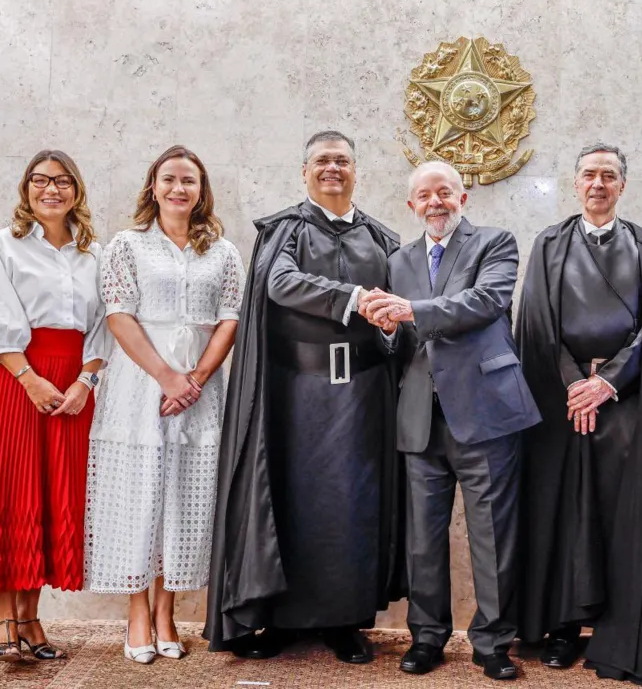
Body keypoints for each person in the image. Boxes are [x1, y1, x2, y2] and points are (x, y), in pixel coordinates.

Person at [516, 143, 642, 688]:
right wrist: (574, 386)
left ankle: (619, 625)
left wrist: (606, 383)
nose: (598, 184)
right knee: (563, 511)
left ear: (623, 185)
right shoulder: (548, 245)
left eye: (609, 176)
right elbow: (536, 322)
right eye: (589, 175)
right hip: (561, 403)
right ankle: (561, 627)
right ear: (576, 182)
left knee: (620, 514)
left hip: (627, 403)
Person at [203, 130, 404, 665]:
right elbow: (280, 284)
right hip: (295, 396)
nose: (332, 168)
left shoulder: (382, 239)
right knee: (290, 501)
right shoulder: (286, 230)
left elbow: (406, 313)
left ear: (357, 171)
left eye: (341, 161)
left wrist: (388, 325)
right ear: (305, 171)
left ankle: (345, 621)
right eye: (321, 161)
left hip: (362, 396)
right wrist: (357, 298)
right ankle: (283, 618)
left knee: (354, 506)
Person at [361, 161, 541, 681]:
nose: (435, 202)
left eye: (445, 193)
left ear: (463, 199)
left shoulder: (495, 242)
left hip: (485, 410)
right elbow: (396, 340)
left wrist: (409, 310)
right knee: (422, 538)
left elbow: (485, 302)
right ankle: (427, 638)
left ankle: (493, 644)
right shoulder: (399, 259)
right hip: (421, 415)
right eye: (424, 195)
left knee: (492, 534)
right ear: (412, 205)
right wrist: (386, 326)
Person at [83, 145, 244, 665]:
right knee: (140, 495)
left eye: (189, 181)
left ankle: (167, 611)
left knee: (184, 494)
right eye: (169, 179)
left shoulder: (223, 251)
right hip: (139, 385)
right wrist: (167, 377)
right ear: (153, 186)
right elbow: (119, 316)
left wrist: (194, 379)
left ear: (202, 191)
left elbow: (229, 321)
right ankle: (136, 612)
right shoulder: (127, 246)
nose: (179, 189)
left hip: (200, 391)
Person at [0, 150, 106, 662]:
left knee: (51, 492)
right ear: (27, 188)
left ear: (76, 190)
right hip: (15, 378)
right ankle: (4, 619)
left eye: (62, 181)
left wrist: (85, 381)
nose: (51, 190)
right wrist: (30, 379)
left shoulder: (93, 253)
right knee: (11, 489)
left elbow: (104, 325)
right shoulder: (5, 244)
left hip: (72, 384)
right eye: (40, 181)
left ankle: (32, 617)